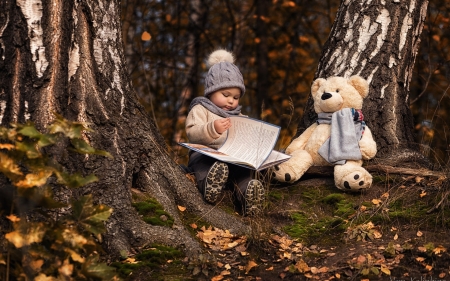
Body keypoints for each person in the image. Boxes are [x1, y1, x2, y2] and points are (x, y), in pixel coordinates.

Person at [185, 49, 265, 216]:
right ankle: (210, 184)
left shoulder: (240, 117)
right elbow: (192, 132)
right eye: (226, 94)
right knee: (204, 167)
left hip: (234, 160)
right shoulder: (201, 108)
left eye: (236, 98)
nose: (231, 101)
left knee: (244, 175)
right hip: (206, 156)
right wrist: (212, 128)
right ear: (211, 91)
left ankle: (249, 197)